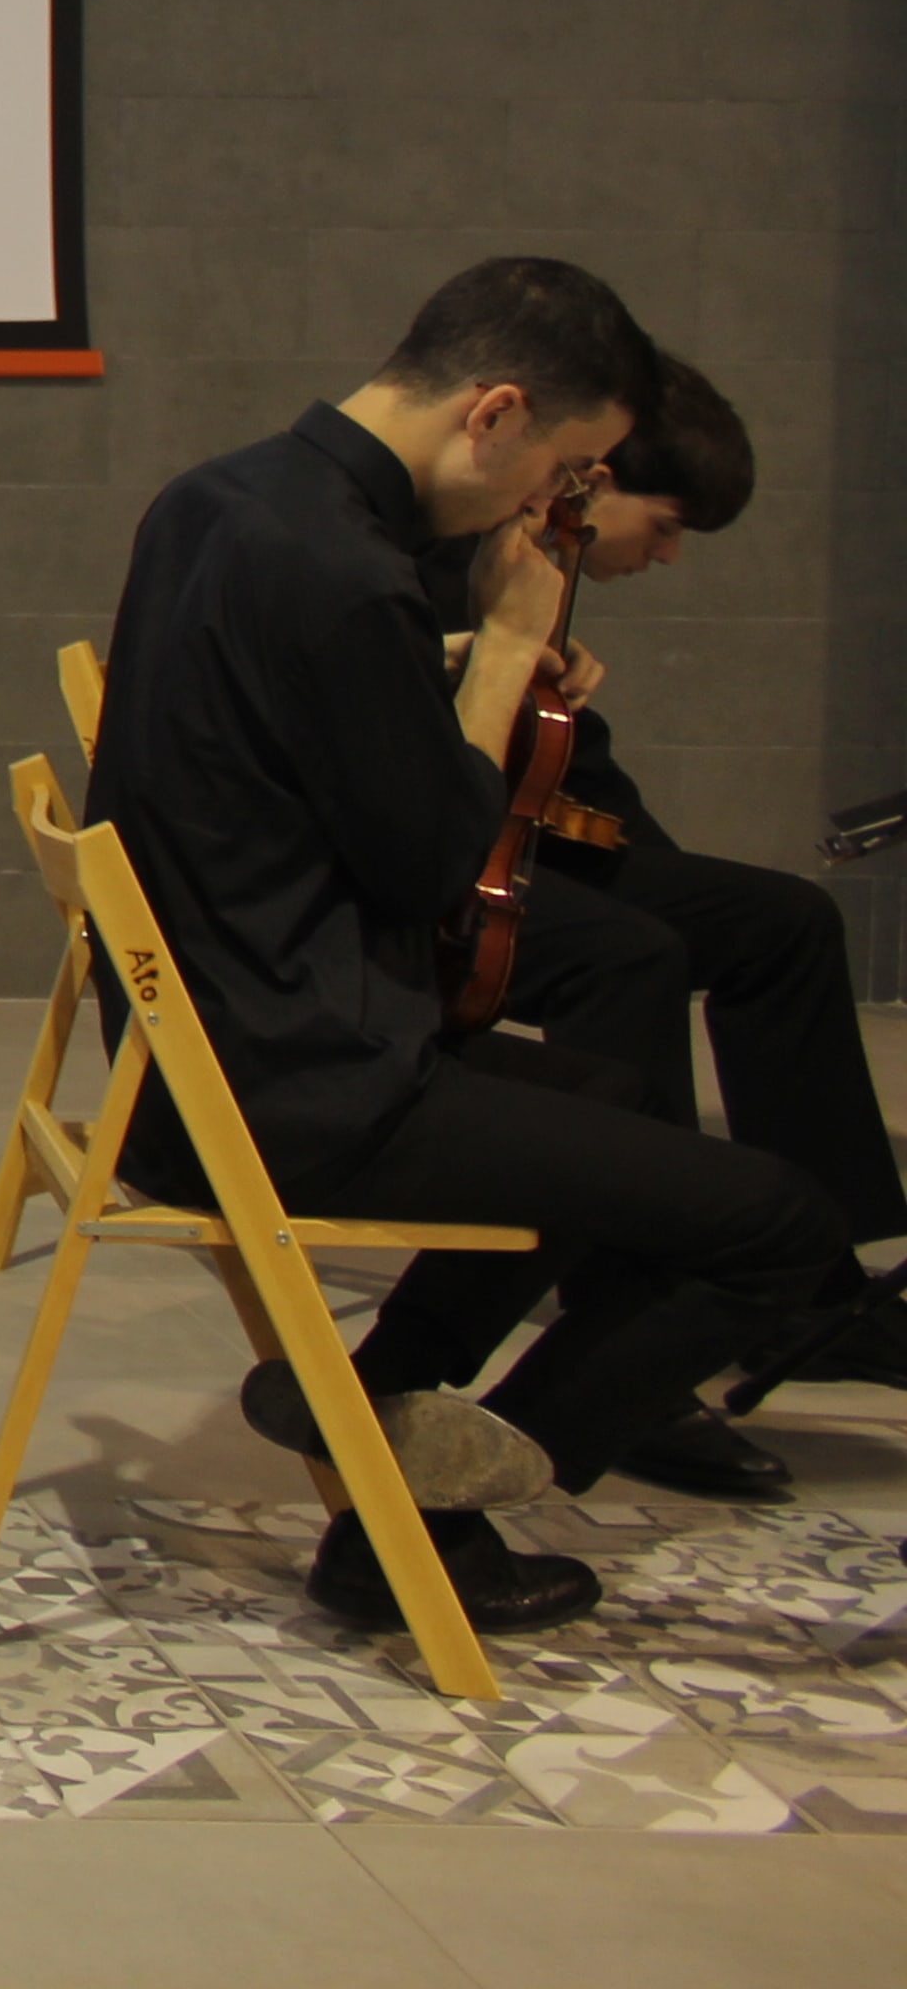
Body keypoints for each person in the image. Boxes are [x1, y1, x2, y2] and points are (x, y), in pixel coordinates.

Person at [88, 257, 849, 1640]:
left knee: (608, 1094)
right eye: (561, 468)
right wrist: (499, 652)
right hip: (296, 1087)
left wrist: (444, 675)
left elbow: (303, 752)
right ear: (494, 413)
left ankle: (366, 1427)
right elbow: (433, 869)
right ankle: (431, 1506)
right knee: (780, 1228)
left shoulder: (221, 496)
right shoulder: (346, 573)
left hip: (192, 1056)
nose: (546, 507)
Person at [414, 357, 907, 1498]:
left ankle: (816, 1286)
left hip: (533, 836)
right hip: (448, 870)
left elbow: (572, 777)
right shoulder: (455, 549)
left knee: (784, 922)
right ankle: (638, 1319)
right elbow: (425, 776)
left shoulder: (534, 550)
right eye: (669, 524)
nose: (668, 554)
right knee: (636, 958)